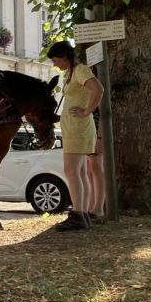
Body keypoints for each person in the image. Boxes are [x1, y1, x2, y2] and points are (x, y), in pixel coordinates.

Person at [46, 40, 104, 231]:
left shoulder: (80, 70)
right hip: (73, 128)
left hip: (78, 129)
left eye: (55, 60)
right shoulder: (72, 73)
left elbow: (98, 89)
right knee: (79, 172)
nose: (55, 64)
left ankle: (78, 214)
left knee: (72, 171)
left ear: (64, 56)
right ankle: (83, 213)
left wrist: (88, 111)